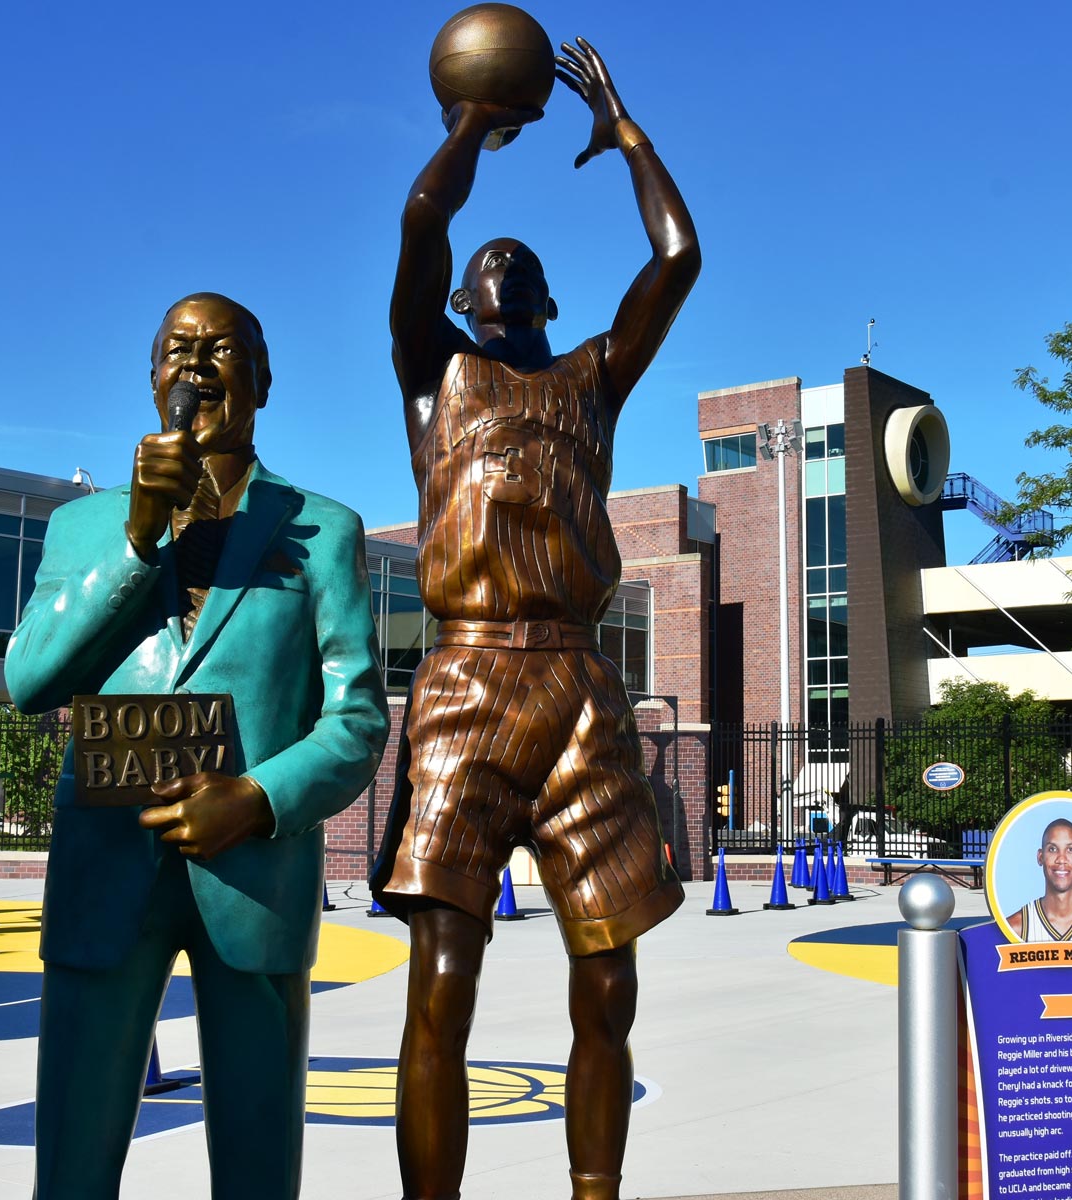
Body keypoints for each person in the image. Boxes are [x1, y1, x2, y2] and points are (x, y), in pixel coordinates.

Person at [370, 35, 700, 1200]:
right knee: (441, 982)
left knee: (608, 979)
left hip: (575, 685)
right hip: (463, 684)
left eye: (522, 264)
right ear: (461, 300)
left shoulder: (590, 384)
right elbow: (421, 221)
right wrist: (475, 123)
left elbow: (677, 254)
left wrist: (625, 136)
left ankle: (594, 1191)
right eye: (485, 264)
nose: (500, 267)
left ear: (551, 302)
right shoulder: (435, 375)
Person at [5, 292, 386, 1199]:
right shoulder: (84, 528)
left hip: (252, 877)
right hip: (107, 867)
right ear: (151, 379)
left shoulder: (324, 530)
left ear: (263, 380)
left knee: (258, 1161)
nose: (198, 365)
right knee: (72, 1155)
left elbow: (357, 718)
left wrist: (255, 799)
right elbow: (29, 681)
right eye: (178, 349)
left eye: (223, 349)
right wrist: (137, 535)